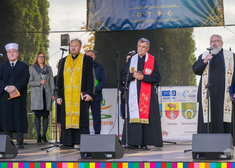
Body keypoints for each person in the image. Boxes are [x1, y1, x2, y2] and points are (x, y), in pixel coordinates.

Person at [192, 34, 235, 144]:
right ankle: (207, 144)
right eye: (212, 41)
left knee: (224, 120)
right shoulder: (204, 56)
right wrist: (205, 61)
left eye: (217, 41)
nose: (214, 43)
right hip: (208, 95)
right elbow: (196, 70)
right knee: (208, 121)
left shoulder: (231, 56)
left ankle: (225, 144)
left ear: (222, 43)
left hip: (224, 96)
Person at [121, 38, 163, 149]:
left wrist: (144, 77)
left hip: (147, 94)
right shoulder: (131, 60)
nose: (140, 48)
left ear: (147, 48)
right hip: (134, 94)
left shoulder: (153, 60)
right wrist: (133, 76)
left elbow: (157, 77)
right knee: (134, 118)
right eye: (139, 46)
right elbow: (124, 76)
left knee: (147, 119)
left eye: (143, 46)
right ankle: (133, 142)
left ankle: (144, 143)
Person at [57, 38, 94, 147]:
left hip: (81, 95)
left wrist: (89, 93)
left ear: (80, 47)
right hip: (66, 96)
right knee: (66, 118)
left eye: (76, 46)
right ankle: (67, 142)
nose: (73, 48)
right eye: (71, 45)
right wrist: (59, 95)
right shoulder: (63, 60)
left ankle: (81, 142)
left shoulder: (86, 59)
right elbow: (59, 80)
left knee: (82, 119)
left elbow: (90, 78)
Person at [0, 43, 30, 149]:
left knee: (19, 117)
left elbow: (25, 79)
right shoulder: (2, 66)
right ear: (7, 54)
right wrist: (5, 88)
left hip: (18, 97)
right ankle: (8, 143)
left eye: (14, 52)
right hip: (5, 96)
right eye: (9, 52)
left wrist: (15, 87)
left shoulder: (24, 66)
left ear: (17, 53)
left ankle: (20, 142)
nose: (12, 54)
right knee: (6, 118)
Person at [28, 51, 54, 144]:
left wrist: (53, 94)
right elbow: (30, 82)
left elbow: (51, 82)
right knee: (38, 115)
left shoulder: (49, 68)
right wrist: (39, 82)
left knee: (46, 115)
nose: (41, 58)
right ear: (37, 58)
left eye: (43, 57)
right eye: (40, 57)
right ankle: (38, 136)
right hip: (37, 95)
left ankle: (44, 136)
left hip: (46, 94)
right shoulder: (32, 68)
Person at [85, 50, 106, 134]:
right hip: (85, 95)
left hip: (96, 96)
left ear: (94, 57)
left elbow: (103, 81)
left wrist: (93, 91)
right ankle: (85, 134)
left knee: (96, 116)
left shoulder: (100, 67)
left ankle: (97, 134)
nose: (90, 57)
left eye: (91, 55)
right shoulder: (82, 67)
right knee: (85, 116)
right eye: (88, 56)